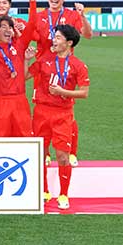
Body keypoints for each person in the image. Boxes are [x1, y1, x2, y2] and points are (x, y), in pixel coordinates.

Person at [28, 24, 89, 210]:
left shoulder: (78, 65)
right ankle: (44, 191)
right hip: (41, 112)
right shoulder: (45, 59)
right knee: (41, 153)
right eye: (54, 36)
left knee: (62, 156)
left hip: (63, 114)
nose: (54, 40)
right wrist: (25, 59)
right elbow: (24, 76)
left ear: (69, 43)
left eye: (59, 37)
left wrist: (64, 92)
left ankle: (63, 193)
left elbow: (84, 93)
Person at [0, 16, 34, 138]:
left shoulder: (20, 47)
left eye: (10, 27)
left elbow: (31, 26)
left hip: (20, 101)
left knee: (25, 140)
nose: (8, 30)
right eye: (4, 26)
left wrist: (32, 1)